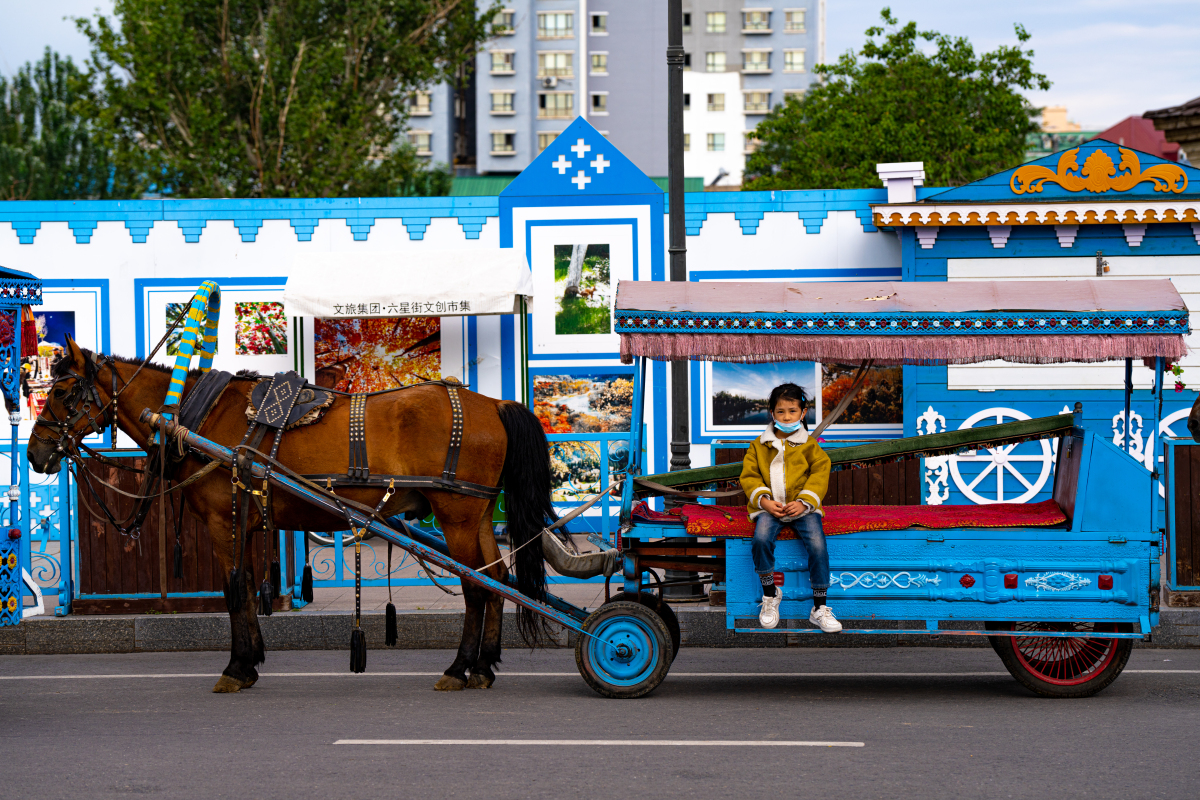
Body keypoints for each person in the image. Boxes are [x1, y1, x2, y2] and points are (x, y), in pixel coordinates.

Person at [738, 383, 842, 633]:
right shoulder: (758, 446)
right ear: (772, 413)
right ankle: (770, 594)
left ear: (803, 413)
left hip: (802, 508)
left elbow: (820, 473)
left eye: (792, 411)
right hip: (770, 508)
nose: (786, 417)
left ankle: (819, 607)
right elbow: (749, 476)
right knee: (761, 539)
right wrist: (763, 500)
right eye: (781, 411)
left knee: (818, 546)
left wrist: (805, 501)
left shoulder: (809, 445)